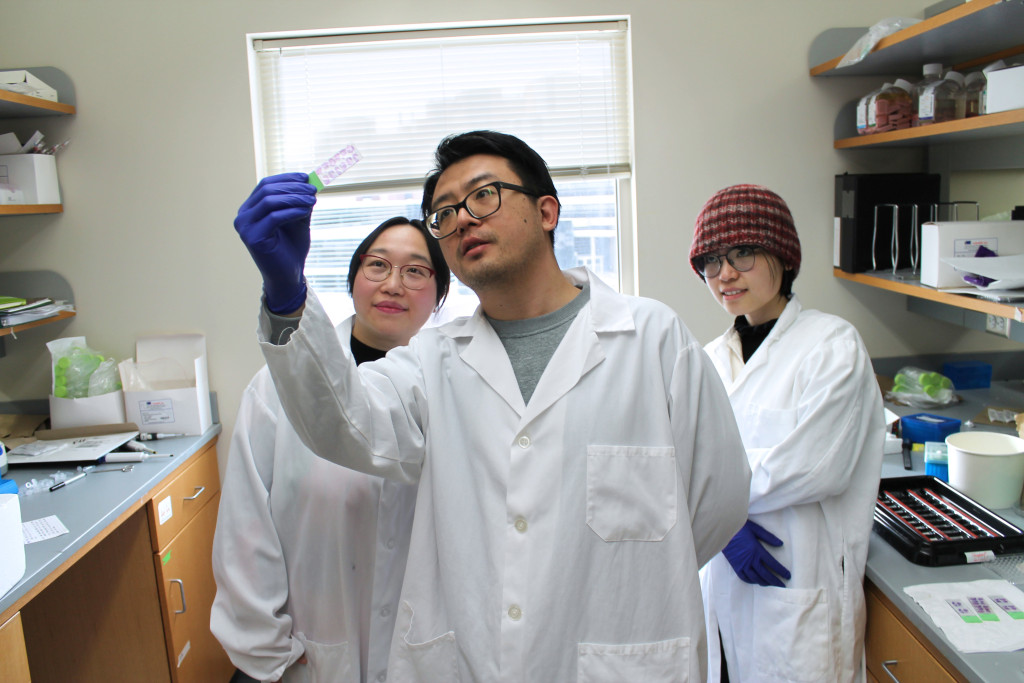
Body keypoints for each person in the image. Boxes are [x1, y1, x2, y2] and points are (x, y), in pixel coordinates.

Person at [234, 130, 752, 681]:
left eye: (483, 195)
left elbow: (717, 499)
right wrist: (288, 296)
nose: (461, 219)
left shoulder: (651, 338)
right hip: (469, 659)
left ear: (547, 210)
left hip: (622, 656)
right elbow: (343, 423)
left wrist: (615, 578)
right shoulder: (432, 360)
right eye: (444, 213)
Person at [211, 216, 451, 683]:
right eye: (377, 265)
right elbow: (246, 526)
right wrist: (266, 649)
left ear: (439, 295)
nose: (394, 284)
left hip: (421, 655)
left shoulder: (454, 390)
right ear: (353, 278)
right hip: (309, 653)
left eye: (417, 271)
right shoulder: (277, 388)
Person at [688, 184, 885, 683]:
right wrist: (724, 525)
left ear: (783, 255)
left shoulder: (831, 345)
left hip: (800, 590)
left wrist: (718, 505)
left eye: (743, 253)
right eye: (711, 260)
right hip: (721, 587)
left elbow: (818, 466)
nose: (725, 273)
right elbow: (681, 463)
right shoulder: (707, 359)